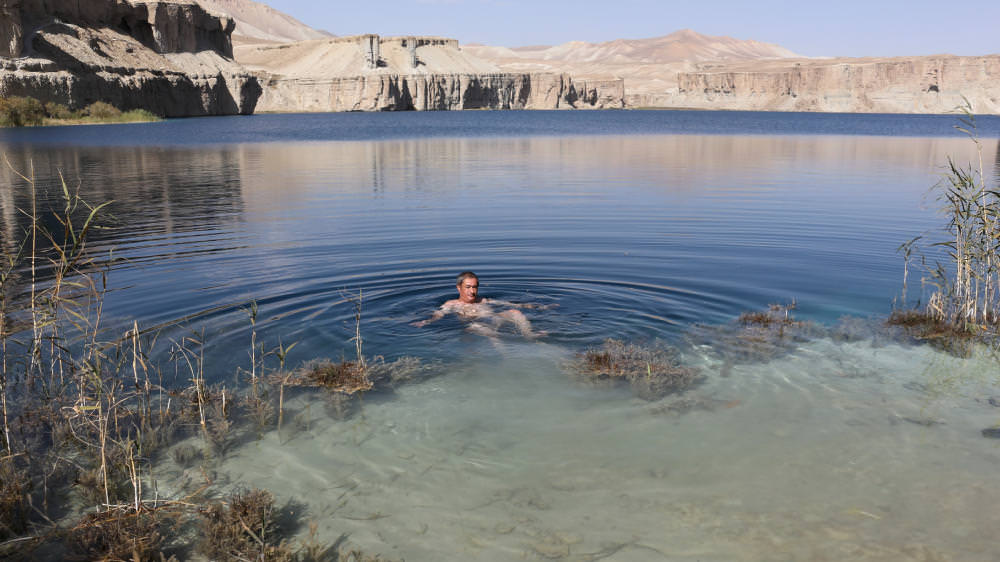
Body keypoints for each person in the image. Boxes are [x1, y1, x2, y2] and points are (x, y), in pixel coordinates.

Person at [413, 271, 547, 338]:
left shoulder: (483, 300)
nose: (472, 291)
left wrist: (539, 307)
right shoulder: (452, 304)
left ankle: (529, 334)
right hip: (476, 325)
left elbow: (512, 304)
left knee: (515, 312)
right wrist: (426, 321)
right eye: (468, 287)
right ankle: (506, 353)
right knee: (485, 330)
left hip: (494, 319)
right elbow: (439, 314)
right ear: (459, 288)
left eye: (475, 287)